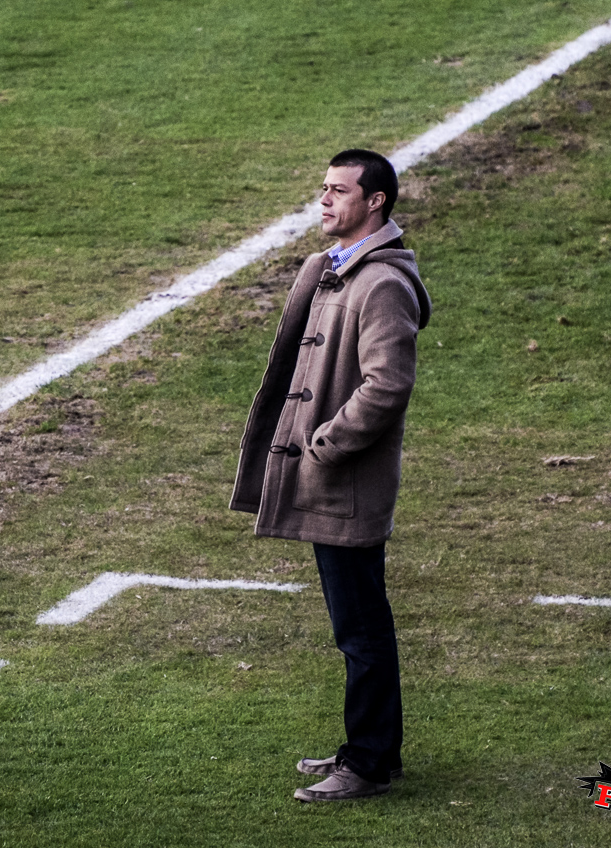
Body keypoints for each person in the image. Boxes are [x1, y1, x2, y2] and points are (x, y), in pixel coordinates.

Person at [229, 149, 431, 802]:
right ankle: (369, 750)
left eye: (339, 190)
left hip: (345, 484)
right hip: (333, 482)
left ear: (375, 202)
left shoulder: (381, 283)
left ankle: (367, 764)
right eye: (322, 188)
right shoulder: (338, 271)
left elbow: (387, 383)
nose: (324, 200)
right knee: (359, 625)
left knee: (360, 630)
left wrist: (324, 445)